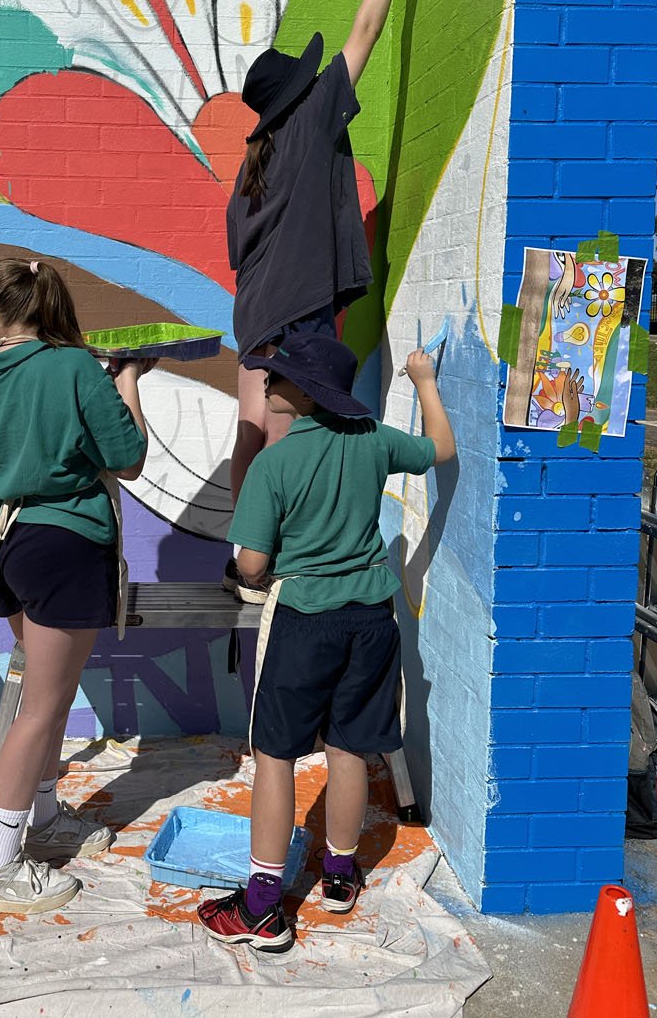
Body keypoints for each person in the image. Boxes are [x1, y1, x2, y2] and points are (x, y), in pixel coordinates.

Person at [197, 333, 456, 953]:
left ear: (305, 394)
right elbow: (441, 449)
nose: (266, 383)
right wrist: (424, 380)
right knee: (348, 749)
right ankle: (339, 874)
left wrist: (256, 567)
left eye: (277, 377)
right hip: (371, 621)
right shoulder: (373, 440)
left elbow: (253, 565)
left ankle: (262, 906)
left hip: (304, 622)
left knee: (276, 756)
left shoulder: (273, 463)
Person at [0, 257, 155, 915]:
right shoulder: (71, 368)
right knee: (42, 707)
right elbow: (126, 458)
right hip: (62, 541)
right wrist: (124, 380)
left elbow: (4, 444)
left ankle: (40, 816)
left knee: (42, 696)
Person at [224, 0, 413, 601]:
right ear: (300, 95)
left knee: (252, 431)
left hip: (255, 315)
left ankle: (242, 557)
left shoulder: (251, 170)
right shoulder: (310, 119)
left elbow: (240, 258)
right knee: (285, 439)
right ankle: (266, 564)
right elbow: (363, 36)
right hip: (297, 312)